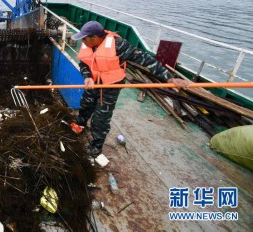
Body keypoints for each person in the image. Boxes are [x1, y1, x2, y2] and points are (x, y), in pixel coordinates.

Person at [71, 21, 189, 156]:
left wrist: (169, 78)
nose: (83, 42)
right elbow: (84, 63)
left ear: (95, 37)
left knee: (101, 119)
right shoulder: (87, 45)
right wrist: (87, 77)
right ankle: (80, 123)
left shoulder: (119, 45)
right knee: (86, 105)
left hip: (110, 86)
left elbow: (146, 59)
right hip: (93, 83)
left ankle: (96, 146)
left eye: (84, 39)